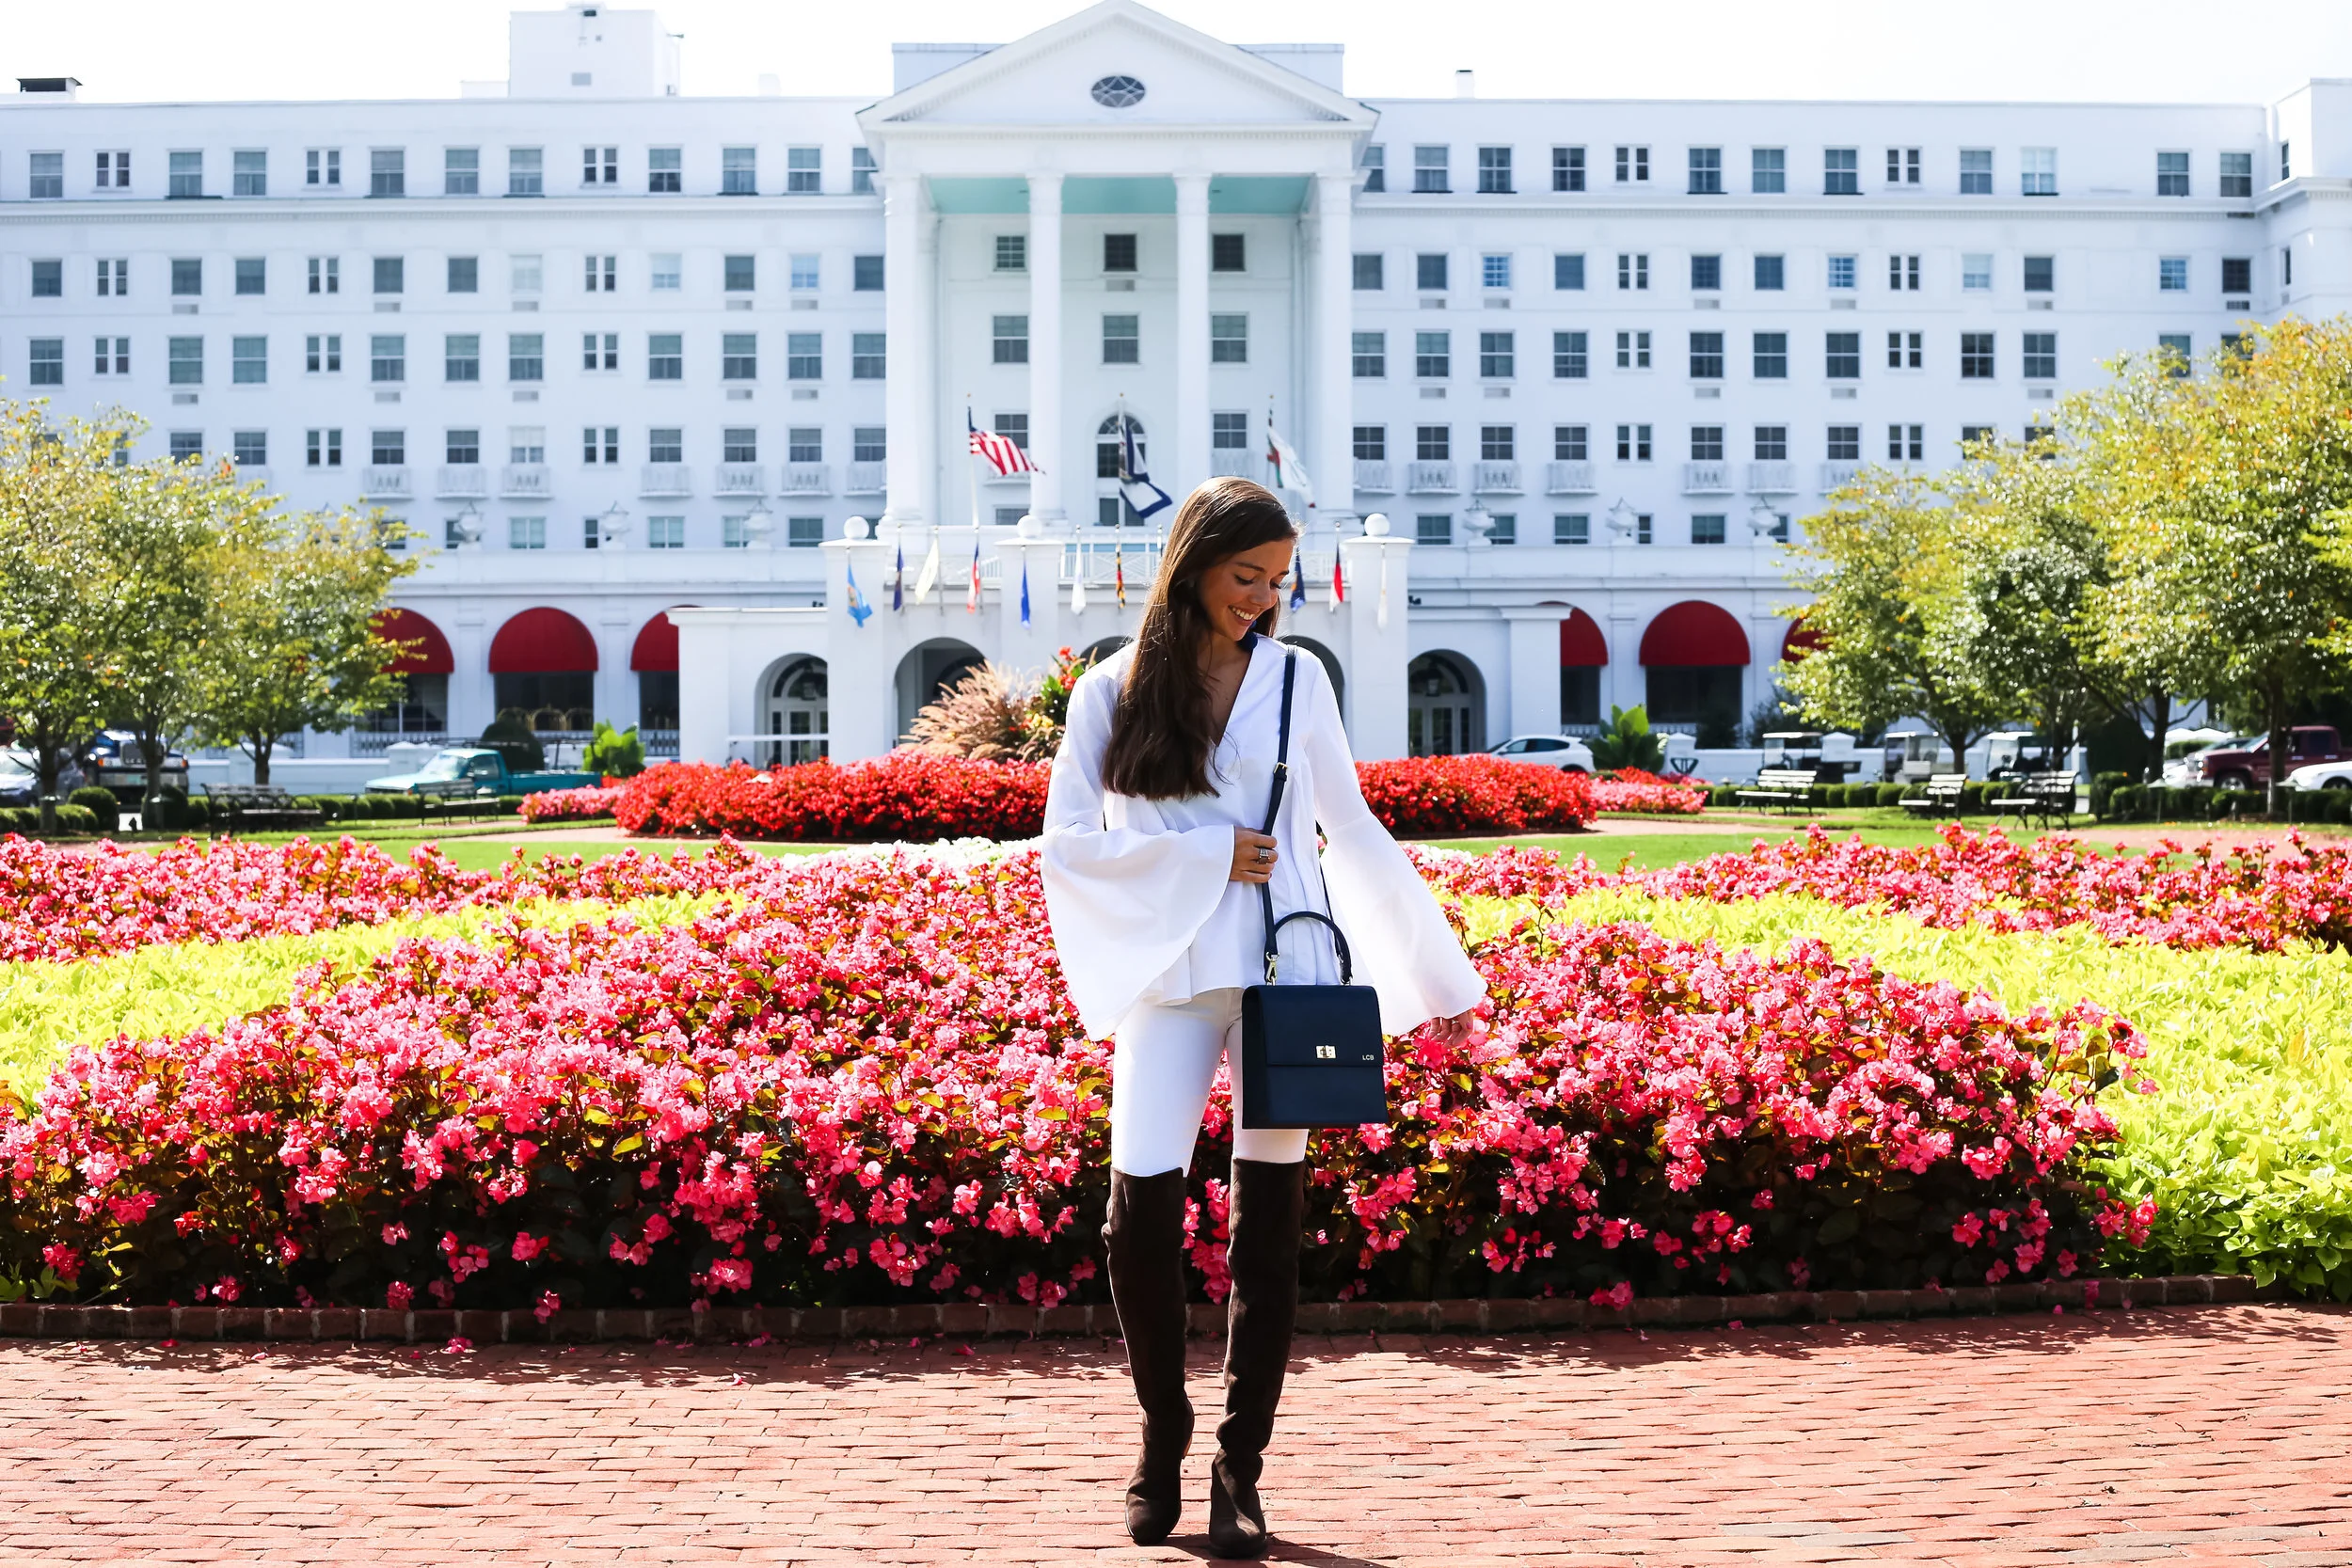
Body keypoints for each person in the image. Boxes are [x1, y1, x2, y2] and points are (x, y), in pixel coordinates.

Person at [1041, 477, 1486, 1558]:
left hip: (1285, 975)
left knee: (1266, 1225)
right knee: (1136, 1212)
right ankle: (1163, 1432)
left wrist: (1444, 984)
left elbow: (1355, 828)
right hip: (1168, 976)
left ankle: (1239, 1465)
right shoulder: (1109, 690)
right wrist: (1202, 853)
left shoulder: (1297, 680)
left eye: (1277, 579)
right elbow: (1066, 846)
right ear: (1191, 565)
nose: (1262, 596)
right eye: (1246, 576)